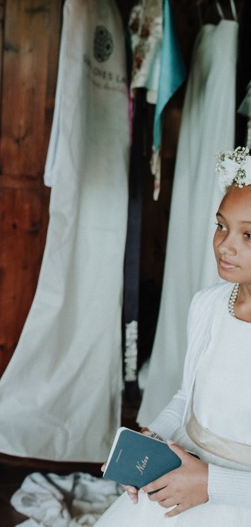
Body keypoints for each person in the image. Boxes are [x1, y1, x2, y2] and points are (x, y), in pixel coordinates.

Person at [95, 146, 251, 525]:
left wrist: (213, 484)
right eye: (221, 226)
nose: (224, 246)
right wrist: (153, 439)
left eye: (249, 236)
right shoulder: (208, 305)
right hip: (184, 475)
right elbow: (188, 397)